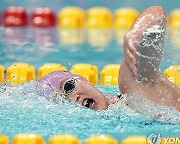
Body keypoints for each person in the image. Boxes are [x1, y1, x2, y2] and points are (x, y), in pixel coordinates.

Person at [39, 5, 180, 111]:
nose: (73, 99)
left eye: (69, 87)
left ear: (83, 78)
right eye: (63, 101)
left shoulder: (133, 92)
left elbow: (158, 12)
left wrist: (135, 34)